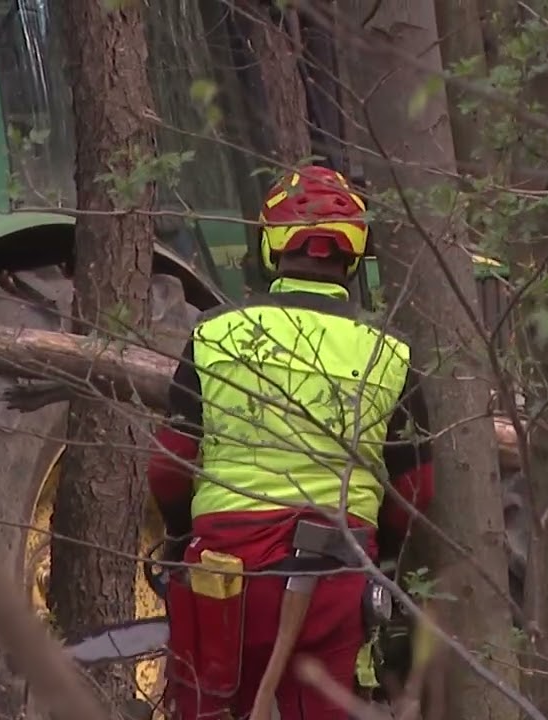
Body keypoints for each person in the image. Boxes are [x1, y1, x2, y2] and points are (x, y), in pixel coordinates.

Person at [146, 165, 435, 720]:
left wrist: (180, 537)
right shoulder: (388, 355)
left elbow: (169, 467)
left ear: (269, 245)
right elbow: (416, 488)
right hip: (338, 576)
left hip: (224, 572)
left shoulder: (216, 334)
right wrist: (388, 559)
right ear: (354, 255)